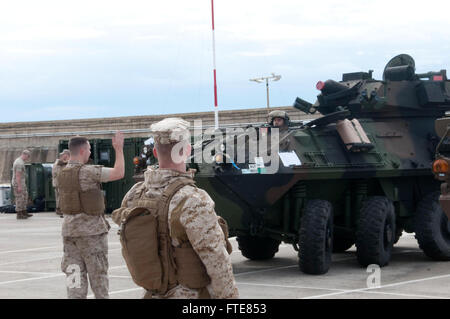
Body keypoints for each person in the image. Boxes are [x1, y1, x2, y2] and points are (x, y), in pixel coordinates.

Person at [112, 118, 239, 299]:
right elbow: (216, 260)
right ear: (186, 151)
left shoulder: (134, 194)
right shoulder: (193, 199)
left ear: (155, 152)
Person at [57, 132, 124, 299]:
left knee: (74, 279)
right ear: (81, 151)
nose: (89, 153)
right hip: (91, 234)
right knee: (98, 279)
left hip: (69, 233)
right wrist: (119, 149)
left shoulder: (61, 173)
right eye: (88, 149)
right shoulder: (88, 171)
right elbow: (118, 173)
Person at [11, 150, 32, 220]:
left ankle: (24, 211)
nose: (28, 158)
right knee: (19, 198)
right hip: (18, 183)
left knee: (24, 197)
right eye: (28, 157)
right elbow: (18, 175)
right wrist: (19, 186)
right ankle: (19, 213)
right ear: (25, 155)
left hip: (22, 182)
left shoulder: (21, 161)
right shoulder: (19, 163)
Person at [52, 149, 70, 217]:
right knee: (61, 196)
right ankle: (60, 209)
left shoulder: (59, 162)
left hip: (57, 182)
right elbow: (59, 173)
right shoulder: (59, 163)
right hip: (59, 182)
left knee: (59, 196)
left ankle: (58, 209)